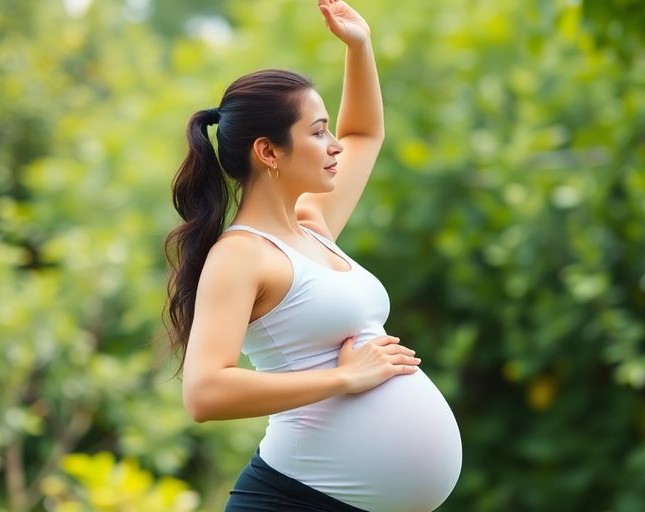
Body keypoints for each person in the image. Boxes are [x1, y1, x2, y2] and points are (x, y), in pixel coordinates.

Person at [164, 1, 462, 510]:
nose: (334, 146)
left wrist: (359, 46)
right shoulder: (241, 256)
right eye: (317, 132)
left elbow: (364, 134)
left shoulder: (314, 227)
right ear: (269, 152)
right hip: (294, 499)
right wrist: (346, 377)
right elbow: (205, 392)